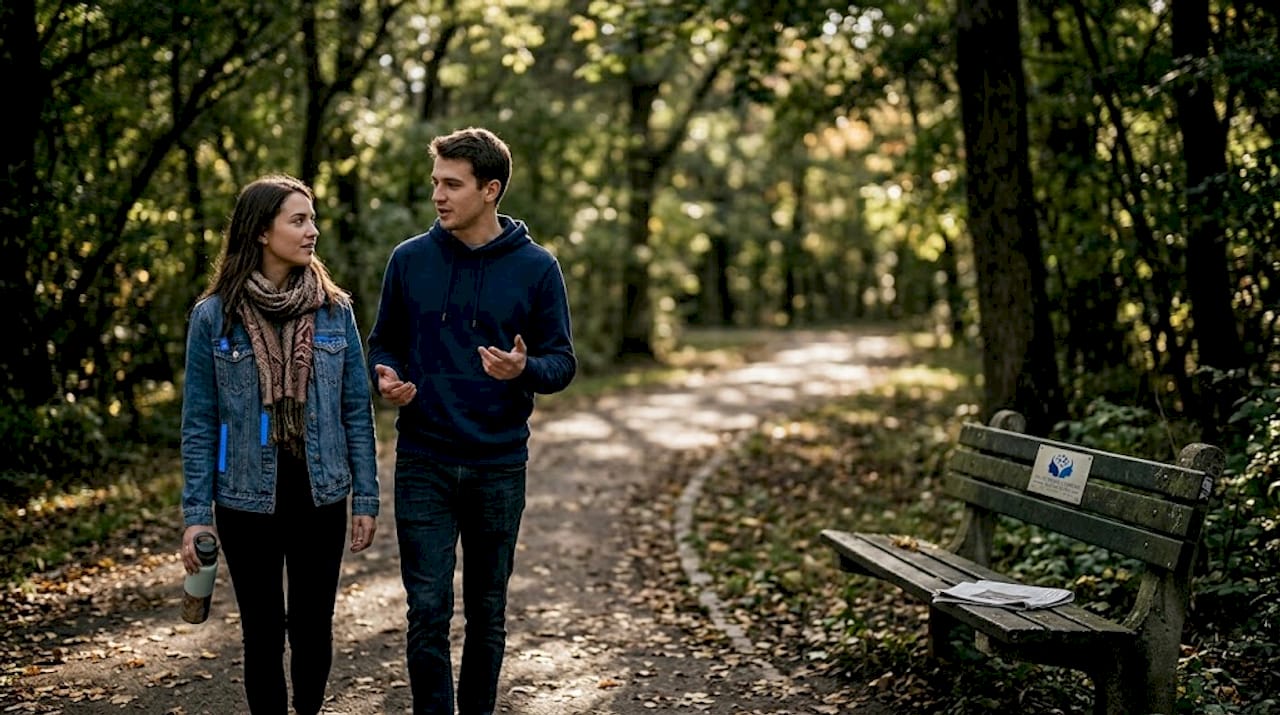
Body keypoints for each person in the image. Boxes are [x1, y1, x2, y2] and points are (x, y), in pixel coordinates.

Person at [367, 127, 576, 715]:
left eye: (452, 184)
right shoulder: (409, 260)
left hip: (498, 466)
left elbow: (562, 363)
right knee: (426, 612)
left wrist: (523, 368)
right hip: (423, 461)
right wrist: (385, 375)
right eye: (435, 181)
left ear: (491, 190)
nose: (438, 195)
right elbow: (383, 343)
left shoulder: (537, 268)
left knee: (487, 613)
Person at [179, 174, 379, 715]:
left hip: (322, 492)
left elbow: (355, 411)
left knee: (313, 630)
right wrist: (197, 514)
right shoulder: (213, 317)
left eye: (312, 218)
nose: (312, 230)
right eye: (299, 219)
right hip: (244, 497)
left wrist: (366, 498)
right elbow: (201, 422)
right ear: (262, 231)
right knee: (262, 633)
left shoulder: (335, 310)